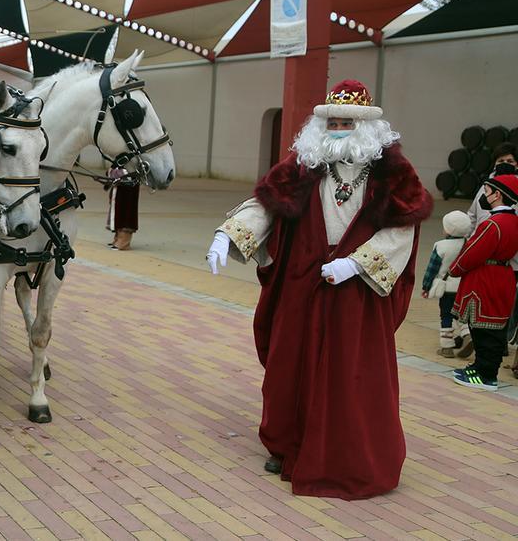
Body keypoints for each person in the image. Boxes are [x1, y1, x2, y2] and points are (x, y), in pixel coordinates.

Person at [206, 80, 431, 499]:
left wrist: (355, 263)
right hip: (301, 282)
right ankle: (286, 444)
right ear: (321, 123)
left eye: (349, 122)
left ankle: (346, 453)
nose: (340, 128)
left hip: (356, 292)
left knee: (352, 371)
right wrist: (228, 234)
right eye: (333, 121)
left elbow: (403, 229)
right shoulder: (304, 163)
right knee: (289, 364)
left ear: (367, 126)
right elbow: (266, 204)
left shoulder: (393, 172)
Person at [448, 174, 518, 391]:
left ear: (498, 195)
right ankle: (480, 367)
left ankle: (485, 375)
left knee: (483, 329)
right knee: (494, 328)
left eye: (487, 192)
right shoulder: (514, 221)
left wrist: (455, 268)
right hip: (503, 275)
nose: (484, 196)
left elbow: (472, 252)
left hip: (485, 277)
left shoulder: (493, 224)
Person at [420, 211, 473, 357]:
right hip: (464, 287)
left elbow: (432, 269)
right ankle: (467, 334)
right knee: (462, 314)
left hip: (447, 288)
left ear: (448, 229)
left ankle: (447, 347)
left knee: (446, 316)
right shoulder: (468, 244)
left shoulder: (440, 245)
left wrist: (426, 286)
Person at [107, 181, 139, 250]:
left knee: (127, 205)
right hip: (121, 176)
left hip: (130, 178)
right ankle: (118, 236)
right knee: (117, 204)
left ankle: (124, 240)